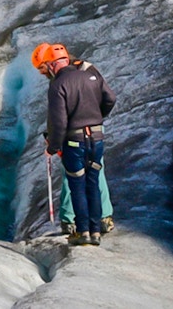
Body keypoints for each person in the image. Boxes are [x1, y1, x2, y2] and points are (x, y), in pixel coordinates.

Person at [31, 42, 115, 235]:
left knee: (73, 176)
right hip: (94, 133)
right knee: (95, 173)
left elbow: (57, 117)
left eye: (42, 68)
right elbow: (108, 97)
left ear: (50, 63)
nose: (42, 73)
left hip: (72, 135)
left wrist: (54, 141)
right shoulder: (87, 70)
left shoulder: (59, 80)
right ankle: (103, 218)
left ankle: (71, 220)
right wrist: (96, 118)